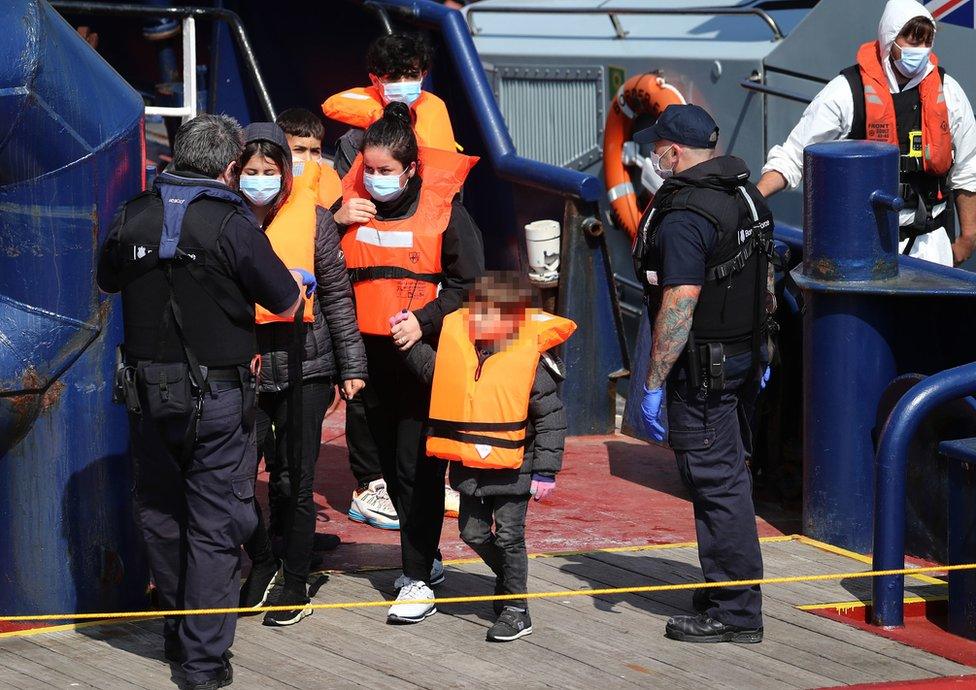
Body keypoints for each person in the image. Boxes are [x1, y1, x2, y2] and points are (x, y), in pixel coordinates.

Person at [96, 114, 311, 688]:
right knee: (215, 527)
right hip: (216, 399)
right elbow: (286, 301)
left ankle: (176, 631)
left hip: (146, 395)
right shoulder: (234, 225)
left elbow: (107, 277)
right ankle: (202, 662)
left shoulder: (132, 213)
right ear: (229, 167)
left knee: (162, 518)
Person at [330, 101, 484, 623]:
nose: (374, 181)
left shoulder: (445, 212)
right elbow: (313, 269)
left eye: (385, 172)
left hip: (420, 358)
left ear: (411, 169)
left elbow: (473, 285)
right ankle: (426, 558)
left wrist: (428, 318)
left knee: (416, 469)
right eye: (368, 171)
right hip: (366, 361)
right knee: (389, 475)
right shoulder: (347, 208)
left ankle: (417, 578)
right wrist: (332, 220)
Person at [633, 104, 774, 644]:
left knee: (717, 483)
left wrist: (651, 384)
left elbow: (680, 303)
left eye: (657, 147)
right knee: (726, 472)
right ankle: (726, 587)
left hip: (705, 369)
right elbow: (762, 279)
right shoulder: (746, 195)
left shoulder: (686, 215)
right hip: (743, 360)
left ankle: (737, 610)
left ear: (674, 152)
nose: (652, 155)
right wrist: (761, 352)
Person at [234, 123, 368, 627]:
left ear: (286, 175)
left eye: (270, 172)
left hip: (305, 366)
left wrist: (351, 366)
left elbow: (336, 296)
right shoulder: (225, 220)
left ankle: (294, 578)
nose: (261, 180)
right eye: (251, 172)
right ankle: (263, 560)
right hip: (243, 368)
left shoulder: (314, 221)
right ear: (236, 173)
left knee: (295, 478)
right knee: (235, 478)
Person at [403, 272, 575, 641]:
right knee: (471, 532)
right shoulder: (460, 351)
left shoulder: (530, 360)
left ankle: (517, 610)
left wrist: (545, 471)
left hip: (516, 471)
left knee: (511, 536)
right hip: (471, 471)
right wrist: (406, 341)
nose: (483, 321)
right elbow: (433, 372)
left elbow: (552, 418)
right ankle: (509, 578)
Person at [758, 0, 976, 267]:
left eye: (926, 41)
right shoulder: (847, 91)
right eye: (910, 40)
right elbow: (794, 155)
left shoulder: (949, 93)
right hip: (862, 242)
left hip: (931, 244)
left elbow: (968, 168)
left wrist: (967, 237)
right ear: (889, 40)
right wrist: (753, 197)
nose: (919, 50)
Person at [323, 32, 458, 178]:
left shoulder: (435, 107)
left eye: (412, 75)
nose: (403, 82)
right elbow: (331, 104)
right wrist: (383, 116)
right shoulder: (356, 134)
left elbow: (449, 176)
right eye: (394, 76)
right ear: (375, 80)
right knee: (354, 137)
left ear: (423, 76)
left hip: (427, 192)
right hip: (371, 193)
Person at [275, 107, 344, 209]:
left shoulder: (334, 181)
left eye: (315, 151)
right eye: (299, 150)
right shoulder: (267, 181)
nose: (308, 159)